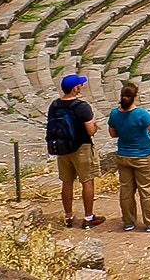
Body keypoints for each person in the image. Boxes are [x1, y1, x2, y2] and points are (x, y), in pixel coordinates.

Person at [46, 74, 104, 228]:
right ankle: (88, 217)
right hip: (81, 148)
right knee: (87, 181)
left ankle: (68, 216)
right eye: (79, 85)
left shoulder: (54, 105)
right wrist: (95, 124)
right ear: (74, 88)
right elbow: (90, 131)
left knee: (66, 182)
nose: (81, 86)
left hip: (62, 148)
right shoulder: (82, 107)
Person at [107, 83, 150, 232]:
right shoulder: (141, 114)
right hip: (143, 156)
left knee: (126, 190)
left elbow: (113, 134)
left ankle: (128, 222)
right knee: (146, 190)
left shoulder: (114, 113)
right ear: (136, 96)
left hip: (123, 155)